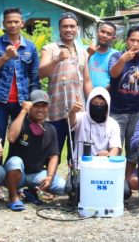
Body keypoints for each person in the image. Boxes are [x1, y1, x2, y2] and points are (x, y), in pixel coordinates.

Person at [40, 12, 93, 161]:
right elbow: (41, 73)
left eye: (72, 26)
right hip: (56, 111)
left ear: (77, 28)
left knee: (76, 154)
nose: (68, 29)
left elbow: (87, 81)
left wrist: (92, 102)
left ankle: (74, 183)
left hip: (78, 112)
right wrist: (56, 59)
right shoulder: (49, 48)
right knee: (52, 154)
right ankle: (50, 182)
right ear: (59, 28)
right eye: (65, 26)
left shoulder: (83, 52)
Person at [0, 7, 41, 142]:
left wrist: (32, 100)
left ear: (22, 23)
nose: (13, 25)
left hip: (22, 102)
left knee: (21, 141)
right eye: (9, 22)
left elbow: (34, 76)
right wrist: (4, 57)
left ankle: (14, 164)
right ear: (4, 24)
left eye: (16, 22)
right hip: (0, 101)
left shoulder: (30, 47)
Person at [4, 90, 66, 211]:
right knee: (14, 161)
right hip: (18, 174)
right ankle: (13, 196)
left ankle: (30, 191)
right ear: (30, 106)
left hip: (36, 174)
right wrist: (23, 111)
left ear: (48, 108)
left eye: (43, 106)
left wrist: (50, 177)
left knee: (62, 187)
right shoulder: (20, 122)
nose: (40, 109)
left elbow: (54, 156)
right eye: (36, 106)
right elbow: (11, 138)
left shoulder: (51, 129)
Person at [108, 26, 139, 181]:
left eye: (138, 41)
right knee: (115, 146)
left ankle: (126, 181)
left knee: (133, 148)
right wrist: (123, 60)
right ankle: (114, 179)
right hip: (116, 111)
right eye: (132, 40)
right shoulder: (116, 56)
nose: (135, 43)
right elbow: (113, 74)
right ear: (126, 40)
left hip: (137, 111)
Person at [67, 87, 121, 161]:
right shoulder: (81, 117)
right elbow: (71, 122)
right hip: (80, 165)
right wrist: (73, 112)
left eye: (102, 104)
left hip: (102, 165)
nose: (98, 107)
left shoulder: (113, 124)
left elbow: (115, 148)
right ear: (89, 103)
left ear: (107, 105)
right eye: (95, 103)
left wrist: (108, 156)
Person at [87, 21, 117, 89]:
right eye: (102, 31)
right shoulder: (86, 50)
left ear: (114, 38)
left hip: (106, 96)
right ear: (97, 32)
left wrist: (103, 93)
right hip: (86, 95)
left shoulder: (116, 55)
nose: (104, 35)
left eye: (109, 34)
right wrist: (89, 55)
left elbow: (116, 79)